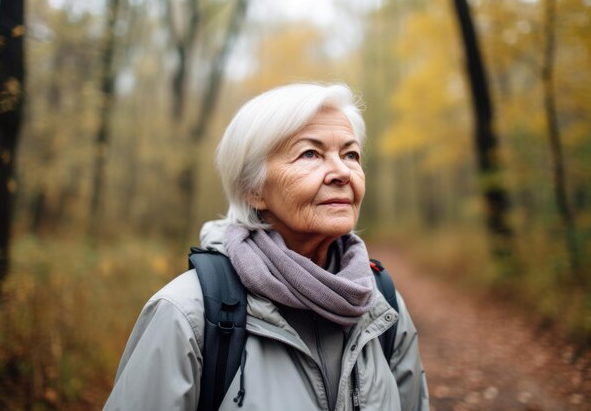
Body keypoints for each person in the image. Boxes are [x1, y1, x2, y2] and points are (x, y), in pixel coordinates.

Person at [103, 83, 429, 411]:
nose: (343, 172)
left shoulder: (382, 303)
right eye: (310, 154)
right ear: (253, 189)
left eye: (350, 154)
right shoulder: (188, 315)